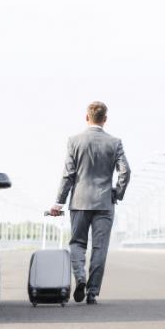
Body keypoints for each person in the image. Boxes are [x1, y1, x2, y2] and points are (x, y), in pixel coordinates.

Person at [49, 101, 130, 305]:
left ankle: (80, 278)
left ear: (87, 117)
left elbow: (68, 174)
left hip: (79, 202)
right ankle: (92, 292)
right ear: (105, 119)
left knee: (77, 243)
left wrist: (59, 202)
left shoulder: (74, 141)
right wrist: (117, 193)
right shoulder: (115, 142)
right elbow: (125, 171)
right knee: (100, 248)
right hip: (104, 203)